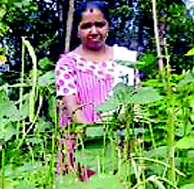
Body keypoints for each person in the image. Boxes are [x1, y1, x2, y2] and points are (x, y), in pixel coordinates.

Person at [55, 1, 137, 179]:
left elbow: (135, 102)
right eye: (86, 26)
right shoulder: (67, 64)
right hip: (82, 144)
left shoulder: (126, 61)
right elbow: (71, 105)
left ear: (108, 26)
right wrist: (94, 138)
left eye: (100, 24)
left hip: (119, 141)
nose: (94, 31)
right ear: (77, 30)